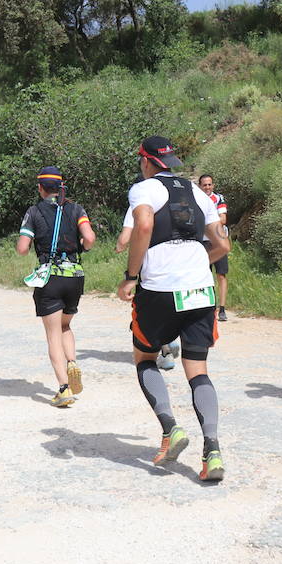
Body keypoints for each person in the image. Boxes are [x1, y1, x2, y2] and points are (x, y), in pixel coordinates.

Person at [118, 136, 230, 481]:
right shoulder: (199, 192)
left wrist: (131, 276)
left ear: (147, 161)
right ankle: (212, 450)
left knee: (145, 357)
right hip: (200, 287)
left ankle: (170, 429)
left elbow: (145, 225)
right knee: (197, 368)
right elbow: (223, 244)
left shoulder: (144, 188)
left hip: (159, 289)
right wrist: (194, 264)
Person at [17, 169, 96, 406]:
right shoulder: (76, 209)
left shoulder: (33, 212)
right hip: (75, 276)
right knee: (65, 325)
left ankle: (63, 389)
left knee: (52, 334)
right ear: (61, 187)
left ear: (41, 188)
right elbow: (89, 239)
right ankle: (71, 361)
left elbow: (22, 248)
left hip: (50, 277)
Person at [118, 203, 181, 372]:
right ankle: (172, 339)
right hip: (180, 265)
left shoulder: (137, 204)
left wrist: (121, 245)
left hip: (153, 270)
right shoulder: (174, 203)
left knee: (153, 312)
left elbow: (125, 239)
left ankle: (166, 351)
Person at [196, 174, 230, 322]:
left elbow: (223, 219)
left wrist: (204, 222)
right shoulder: (195, 199)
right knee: (204, 276)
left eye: (210, 185)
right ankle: (208, 307)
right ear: (200, 186)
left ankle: (222, 309)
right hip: (202, 242)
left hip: (218, 241)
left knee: (221, 274)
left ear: (213, 185)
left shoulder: (218, 198)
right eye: (205, 185)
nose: (207, 187)